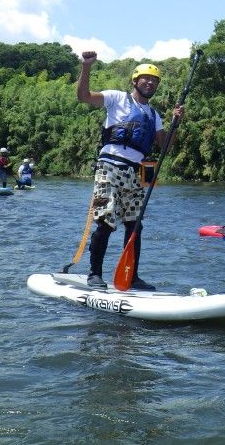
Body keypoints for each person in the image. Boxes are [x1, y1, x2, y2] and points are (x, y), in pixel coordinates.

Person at [77, 51, 184, 290]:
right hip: (108, 167)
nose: (150, 83)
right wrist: (86, 67)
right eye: (145, 78)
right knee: (106, 221)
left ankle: (131, 275)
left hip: (132, 172)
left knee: (135, 224)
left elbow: (165, 145)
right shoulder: (117, 98)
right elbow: (84, 96)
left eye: (154, 80)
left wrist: (177, 122)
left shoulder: (153, 115)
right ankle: (94, 274)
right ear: (135, 81)